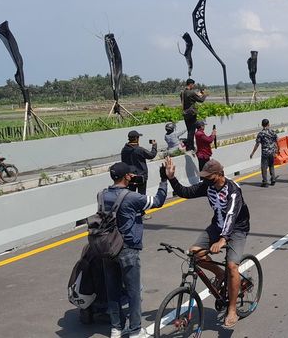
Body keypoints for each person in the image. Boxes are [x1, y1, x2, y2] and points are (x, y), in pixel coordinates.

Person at [165, 158, 250, 329]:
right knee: (195, 253)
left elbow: (231, 216)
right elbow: (186, 192)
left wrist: (223, 239)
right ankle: (220, 274)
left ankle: (232, 310)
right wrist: (172, 178)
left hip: (237, 229)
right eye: (204, 177)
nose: (205, 180)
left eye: (209, 177)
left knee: (233, 266)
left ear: (219, 174)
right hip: (216, 226)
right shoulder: (208, 186)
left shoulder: (233, 190)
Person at [101, 162, 168, 338]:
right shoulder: (132, 198)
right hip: (127, 249)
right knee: (133, 291)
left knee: (113, 290)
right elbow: (158, 201)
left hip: (107, 248)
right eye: (131, 174)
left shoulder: (101, 195)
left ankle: (116, 328)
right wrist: (163, 179)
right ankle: (136, 330)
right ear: (127, 177)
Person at [120, 130, 157, 196]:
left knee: (130, 196)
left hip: (129, 176)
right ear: (136, 138)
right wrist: (154, 146)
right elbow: (151, 155)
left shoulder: (124, 150)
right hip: (141, 176)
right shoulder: (139, 150)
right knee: (142, 197)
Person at [250, 118, 278, 187]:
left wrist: (252, 153)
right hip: (272, 152)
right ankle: (273, 179)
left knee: (264, 167)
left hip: (265, 153)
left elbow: (257, 144)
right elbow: (276, 141)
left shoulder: (261, 133)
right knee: (271, 166)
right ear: (269, 124)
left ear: (262, 125)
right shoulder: (272, 132)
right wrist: (278, 149)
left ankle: (265, 182)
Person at [181, 78, 207, 151]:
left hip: (185, 113)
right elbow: (201, 100)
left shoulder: (182, 92)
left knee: (189, 130)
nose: (193, 86)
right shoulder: (192, 92)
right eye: (193, 85)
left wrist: (198, 94)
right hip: (192, 114)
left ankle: (189, 146)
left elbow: (189, 99)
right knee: (192, 132)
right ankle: (190, 147)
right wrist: (204, 95)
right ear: (191, 84)